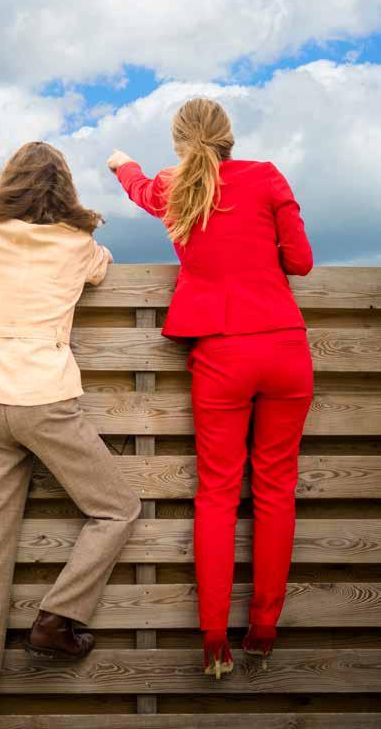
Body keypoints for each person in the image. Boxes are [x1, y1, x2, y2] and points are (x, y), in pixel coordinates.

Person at [0, 141, 141, 720]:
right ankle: (56, 619)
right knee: (117, 508)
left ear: (7, 185)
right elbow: (102, 269)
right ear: (64, 191)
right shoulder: (76, 244)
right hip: (46, 398)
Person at [108, 98, 314, 680]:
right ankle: (266, 629)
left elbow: (141, 188)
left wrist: (121, 164)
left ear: (179, 143)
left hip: (220, 351)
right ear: (230, 137)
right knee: (276, 489)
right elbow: (300, 262)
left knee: (218, 494)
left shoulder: (175, 186)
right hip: (283, 348)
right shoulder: (267, 176)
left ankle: (215, 639)